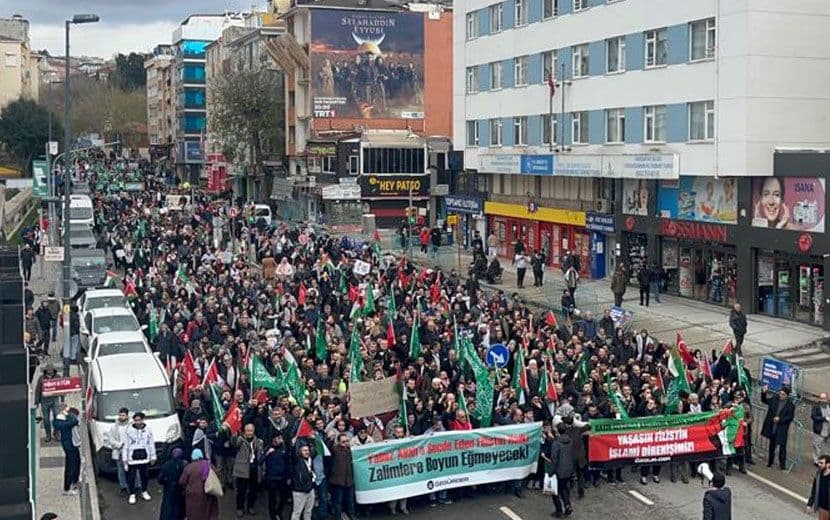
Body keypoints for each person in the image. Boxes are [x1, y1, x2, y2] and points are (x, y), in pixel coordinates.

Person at [122, 411, 157, 504]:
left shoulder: (148, 430)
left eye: (139, 420)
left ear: (143, 420)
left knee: (145, 476)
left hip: (144, 457)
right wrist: (125, 459)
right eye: (136, 420)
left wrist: (153, 456)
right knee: (131, 477)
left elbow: (151, 443)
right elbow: (126, 445)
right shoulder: (129, 431)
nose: (137, 422)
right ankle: (132, 494)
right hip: (132, 458)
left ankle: (144, 491)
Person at [760, 385, 795, 470]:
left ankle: (782, 465)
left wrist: (780, 419)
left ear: (787, 395)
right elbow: (765, 400)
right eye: (780, 393)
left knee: (782, 447)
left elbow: (790, 417)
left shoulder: (790, 405)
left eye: (783, 394)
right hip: (773, 427)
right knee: (771, 446)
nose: (781, 395)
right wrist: (763, 393)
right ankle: (770, 462)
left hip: (782, 429)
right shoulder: (774, 399)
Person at [179, 448, 220, 520]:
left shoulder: (189, 467)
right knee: (208, 512)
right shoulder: (209, 465)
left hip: (193, 495)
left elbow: (182, 481)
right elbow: (217, 476)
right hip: (208, 493)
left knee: (194, 514)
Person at [233, 423, 264, 517]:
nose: (249, 433)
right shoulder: (240, 440)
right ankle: (240, 508)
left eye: (251, 431)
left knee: (253, 490)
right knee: (241, 491)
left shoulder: (258, 441)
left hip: (254, 469)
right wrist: (234, 436)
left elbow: (260, 455)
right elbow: (234, 443)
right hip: (242, 469)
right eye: (247, 431)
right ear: (244, 431)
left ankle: (251, 506)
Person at [52, 405, 81, 496]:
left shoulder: (67, 419)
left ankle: (75, 481)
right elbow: (74, 421)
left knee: (77, 463)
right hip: (69, 445)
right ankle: (67, 488)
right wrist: (67, 414)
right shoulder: (61, 421)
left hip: (74, 444)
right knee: (71, 466)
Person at [549, 423, 575, 518]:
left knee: (555, 491)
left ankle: (559, 510)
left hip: (559, 471)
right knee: (564, 488)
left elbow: (554, 459)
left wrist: (551, 472)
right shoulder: (570, 441)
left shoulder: (556, 443)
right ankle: (567, 505)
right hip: (568, 469)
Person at [106, 407, 133, 495]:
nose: (121, 417)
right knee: (121, 471)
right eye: (120, 415)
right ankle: (123, 487)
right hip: (119, 451)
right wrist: (119, 445)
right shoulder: (114, 427)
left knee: (133, 470)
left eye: (123, 415)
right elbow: (111, 440)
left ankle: (136, 486)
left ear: (127, 415)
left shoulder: (132, 426)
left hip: (130, 451)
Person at [263, 432, 290, 520]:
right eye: (279, 438)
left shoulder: (284, 448)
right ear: (274, 439)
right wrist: (267, 453)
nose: (281, 440)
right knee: (272, 499)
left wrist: (288, 476)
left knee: (284, 497)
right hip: (271, 478)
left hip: (282, 478)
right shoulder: (268, 448)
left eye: (281, 438)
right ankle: (273, 516)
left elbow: (288, 462)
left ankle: (279, 512)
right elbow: (260, 460)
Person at [330, 433, 356, 520]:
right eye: (343, 442)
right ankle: (338, 517)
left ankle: (352, 515)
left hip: (349, 479)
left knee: (350, 500)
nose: (345, 443)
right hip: (338, 480)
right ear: (338, 442)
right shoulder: (335, 450)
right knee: (338, 501)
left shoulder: (351, 450)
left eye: (347, 441)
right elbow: (329, 448)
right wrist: (330, 440)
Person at [157, 447, 186, 520]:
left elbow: (160, 479)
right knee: (179, 508)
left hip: (169, 489)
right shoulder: (184, 464)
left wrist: (165, 482)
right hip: (180, 490)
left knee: (168, 507)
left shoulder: (166, 465)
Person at [34, 363, 60, 442]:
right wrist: (36, 402)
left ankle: (56, 433)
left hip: (55, 399)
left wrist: (62, 400)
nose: (50, 374)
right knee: (46, 419)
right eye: (48, 373)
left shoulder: (58, 377)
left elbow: (62, 388)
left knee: (57, 417)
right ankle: (48, 434)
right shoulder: (41, 378)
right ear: (45, 372)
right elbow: (38, 390)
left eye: (51, 372)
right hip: (44, 401)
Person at [291, 444, 317, 520]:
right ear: (300, 452)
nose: (307, 452)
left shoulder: (310, 459)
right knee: (297, 512)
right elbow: (292, 455)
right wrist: (293, 446)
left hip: (310, 489)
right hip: (299, 490)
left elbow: (316, 450)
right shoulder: (297, 460)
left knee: (308, 511)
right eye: (304, 450)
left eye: (308, 450)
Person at [808, 454, 830, 519]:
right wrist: (810, 504)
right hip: (822, 505)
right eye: (819, 462)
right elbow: (814, 489)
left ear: (828, 464)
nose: (819, 464)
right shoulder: (818, 474)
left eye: (821, 463)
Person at [812, 394, 830, 466]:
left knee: (826, 446)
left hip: (828, 430)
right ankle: (816, 461)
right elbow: (814, 417)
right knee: (817, 445)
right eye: (821, 398)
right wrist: (824, 418)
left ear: (827, 399)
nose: (822, 400)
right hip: (819, 429)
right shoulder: (816, 407)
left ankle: (826, 460)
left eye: (824, 398)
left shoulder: (829, 406)